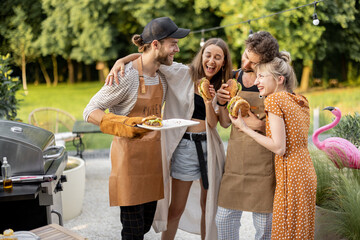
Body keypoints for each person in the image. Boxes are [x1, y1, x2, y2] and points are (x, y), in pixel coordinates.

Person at [106, 38, 231, 240]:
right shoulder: (182, 73)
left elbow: (215, 123)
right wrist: (122, 60)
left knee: (208, 208)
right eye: (208, 55)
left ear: (224, 62)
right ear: (201, 56)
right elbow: (149, 58)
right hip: (185, 147)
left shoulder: (223, 86)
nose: (212, 61)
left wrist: (210, 101)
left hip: (209, 148)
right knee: (176, 208)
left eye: (218, 57)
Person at [83, 17, 190, 240]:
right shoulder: (126, 76)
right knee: (132, 233)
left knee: (144, 227)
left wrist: (123, 57)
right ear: (155, 44)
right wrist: (127, 124)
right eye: (173, 43)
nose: (177, 49)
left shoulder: (163, 74)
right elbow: (90, 110)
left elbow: (187, 70)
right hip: (129, 165)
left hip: (153, 162)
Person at [230, 51, 317, 239]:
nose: (256, 82)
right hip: (307, 172)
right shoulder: (299, 100)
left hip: (291, 175)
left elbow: (279, 147)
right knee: (300, 233)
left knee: (285, 233)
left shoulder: (274, 100)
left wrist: (244, 128)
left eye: (261, 76)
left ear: (279, 79)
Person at [215, 31, 279, 240]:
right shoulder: (233, 78)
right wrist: (222, 103)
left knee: (264, 226)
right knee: (224, 218)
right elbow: (225, 123)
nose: (246, 64)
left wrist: (259, 125)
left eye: (253, 62)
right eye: (245, 56)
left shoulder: (274, 84)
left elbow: (286, 128)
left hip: (264, 163)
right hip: (236, 162)